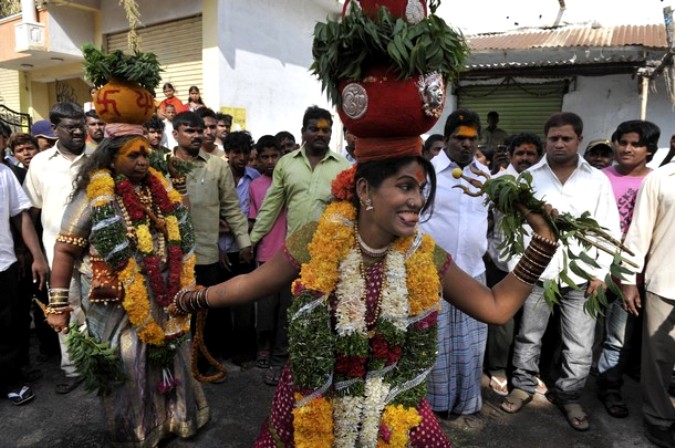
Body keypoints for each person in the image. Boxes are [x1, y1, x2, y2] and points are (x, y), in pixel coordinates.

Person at [171, 147, 560, 446]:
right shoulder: (317, 239)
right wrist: (195, 298)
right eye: (405, 186)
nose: (417, 201)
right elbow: (252, 284)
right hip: (315, 392)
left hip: (391, 397)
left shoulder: (424, 254)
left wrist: (543, 242)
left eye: (421, 190)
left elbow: (496, 307)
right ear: (363, 190)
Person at [45, 134, 209, 445]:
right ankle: (139, 432)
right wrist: (57, 305)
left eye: (145, 154)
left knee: (172, 353)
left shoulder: (157, 187)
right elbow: (65, 249)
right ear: (110, 158)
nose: (143, 161)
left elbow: (182, 224)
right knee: (129, 362)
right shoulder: (94, 195)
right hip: (116, 300)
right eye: (133, 155)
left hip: (164, 291)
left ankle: (176, 420)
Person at [502, 112, 621, 432]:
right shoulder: (528, 178)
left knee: (580, 343)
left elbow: (607, 228)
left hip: (581, 276)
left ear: (579, 140)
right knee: (529, 335)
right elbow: (512, 228)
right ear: (546, 140)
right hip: (537, 275)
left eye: (566, 138)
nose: (559, 144)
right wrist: (519, 269)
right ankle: (523, 386)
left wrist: (600, 272)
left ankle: (569, 395)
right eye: (553, 138)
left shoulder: (596, 180)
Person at [169, 111, 252, 369]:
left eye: (199, 131)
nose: (197, 135)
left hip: (205, 255)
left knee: (206, 313)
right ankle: (175, 364)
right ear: (175, 134)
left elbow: (230, 206)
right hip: (169, 254)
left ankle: (204, 362)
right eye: (189, 131)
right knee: (174, 310)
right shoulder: (161, 164)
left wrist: (244, 242)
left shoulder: (217, 165)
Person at [421, 109, 490, 417]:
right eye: (460, 138)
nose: (467, 144)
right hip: (434, 274)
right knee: (434, 342)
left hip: (474, 272)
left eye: (472, 139)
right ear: (447, 138)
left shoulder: (486, 177)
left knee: (472, 345)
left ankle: (466, 401)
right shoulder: (426, 173)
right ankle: (435, 405)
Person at [23, 101, 91, 395]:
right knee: (65, 308)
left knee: (100, 308)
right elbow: (32, 210)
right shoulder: (40, 162)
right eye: (70, 127)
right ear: (54, 129)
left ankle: (103, 364)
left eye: (81, 125)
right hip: (56, 253)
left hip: (95, 252)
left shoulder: (99, 157)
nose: (78, 131)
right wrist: (34, 252)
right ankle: (74, 368)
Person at [596, 120, 658, 420]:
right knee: (584, 331)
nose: (627, 149)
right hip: (594, 266)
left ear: (649, 150)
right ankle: (570, 380)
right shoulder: (599, 178)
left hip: (632, 272)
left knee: (618, 335)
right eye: (622, 142)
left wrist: (635, 273)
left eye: (635, 144)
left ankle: (610, 386)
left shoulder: (656, 182)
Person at [484, 132, 543, 396]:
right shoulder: (496, 182)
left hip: (536, 262)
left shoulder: (545, 183)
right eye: (520, 153)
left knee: (532, 323)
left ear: (538, 156)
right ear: (510, 154)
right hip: (502, 261)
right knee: (502, 320)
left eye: (531, 154)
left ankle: (527, 370)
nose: (525, 158)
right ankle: (497, 369)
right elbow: (484, 220)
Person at [622, 154, 675, 448]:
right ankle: (658, 417)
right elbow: (640, 231)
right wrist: (630, 279)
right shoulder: (661, 178)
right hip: (666, 279)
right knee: (659, 357)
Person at [249, 106, 351, 245]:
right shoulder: (286, 163)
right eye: (314, 129)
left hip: (329, 250)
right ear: (303, 132)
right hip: (292, 250)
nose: (320, 134)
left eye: (325, 130)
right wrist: (252, 240)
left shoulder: (344, 167)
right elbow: (271, 207)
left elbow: (350, 211)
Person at [0, 162, 48, 406]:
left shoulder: (4, 173)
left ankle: (11, 380)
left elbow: (20, 215)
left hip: (3, 263)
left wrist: (37, 256)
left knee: (9, 325)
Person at [248, 135, 290, 386]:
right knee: (265, 308)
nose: (271, 161)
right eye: (265, 157)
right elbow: (255, 219)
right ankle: (263, 347)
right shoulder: (256, 186)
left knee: (286, 308)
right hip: (266, 253)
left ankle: (280, 354)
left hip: (289, 255)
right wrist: (250, 245)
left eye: (275, 156)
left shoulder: (290, 181)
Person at [220, 131, 260, 364]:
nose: (242, 157)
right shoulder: (218, 175)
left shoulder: (254, 178)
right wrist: (218, 247)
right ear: (227, 154)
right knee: (222, 302)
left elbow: (257, 213)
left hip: (245, 249)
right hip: (221, 250)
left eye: (246, 153)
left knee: (245, 302)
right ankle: (223, 350)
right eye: (236, 153)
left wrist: (248, 242)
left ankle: (244, 353)